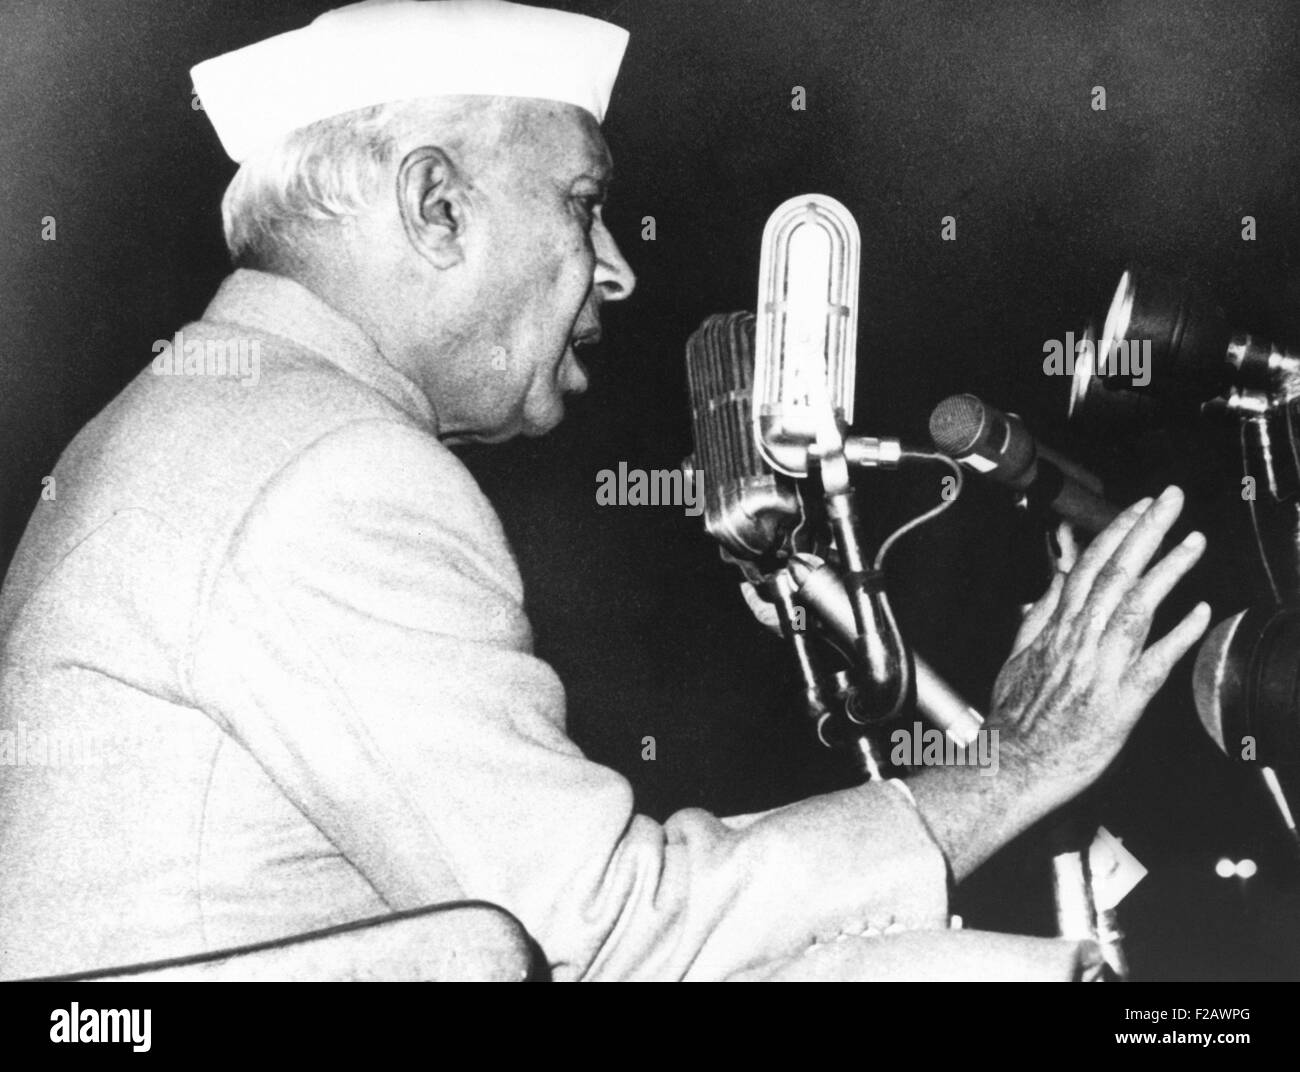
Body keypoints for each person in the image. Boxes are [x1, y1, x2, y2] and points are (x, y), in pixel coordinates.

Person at [0, 0, 1210, 981]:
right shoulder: (329, 470)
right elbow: (605, 934)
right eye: (583, 205)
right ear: (436, 206)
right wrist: (1010, 769)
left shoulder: (215, 416)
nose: (618, 270)